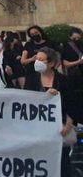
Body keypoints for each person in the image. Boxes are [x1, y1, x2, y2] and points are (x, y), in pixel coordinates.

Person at [24, 47, 78, 176]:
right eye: (36, 59)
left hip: (59, 128)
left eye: (41, 60)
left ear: (52, 63)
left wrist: (68, 125)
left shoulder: (63, 80)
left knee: (62, 162)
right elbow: (26, 101)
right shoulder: (31, 79)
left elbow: (73, 104)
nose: (37, 62)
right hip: (37, 129)